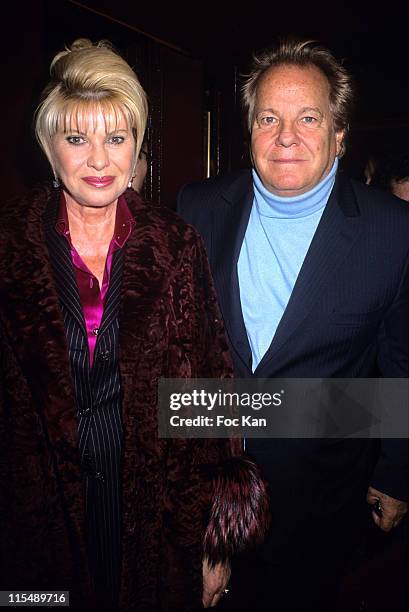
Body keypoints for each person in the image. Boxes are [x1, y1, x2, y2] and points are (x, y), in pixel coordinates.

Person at [0, 39, 269, 612]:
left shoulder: (174, 246)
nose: (99, 160)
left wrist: (213, 543)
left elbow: (210, 394)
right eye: (77, 138)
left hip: (156, 524)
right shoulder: (7, 246)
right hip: (33, 536)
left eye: (116, 138)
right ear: (48, 146)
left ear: (137, 145)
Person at [178, 39, 409, 611]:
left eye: (308, 118)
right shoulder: (194, 208)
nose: (286, 136)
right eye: (269, 118)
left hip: (324, 498)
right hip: (203, 489)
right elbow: (176, 355)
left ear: (339, 135)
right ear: (248, 129)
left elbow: (401, 362)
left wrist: (398, 471)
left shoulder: (394, 231)